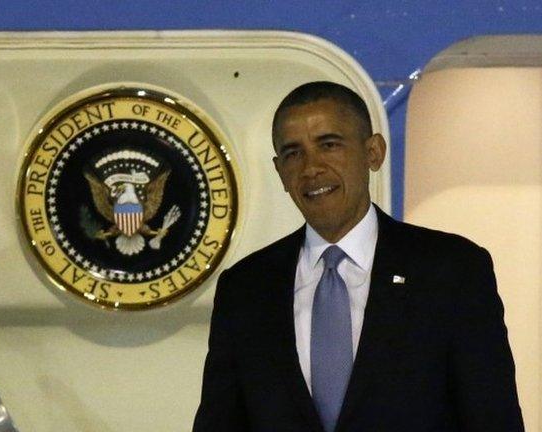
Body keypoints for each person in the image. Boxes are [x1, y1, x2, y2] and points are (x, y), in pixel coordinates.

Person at [192, 81, 524, 432]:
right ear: (280, 173)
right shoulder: (246, 288)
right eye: (293, 153)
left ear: (373, 153)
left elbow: (493, 420)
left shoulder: (451, 271)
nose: (311, 167)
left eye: (329, 145)